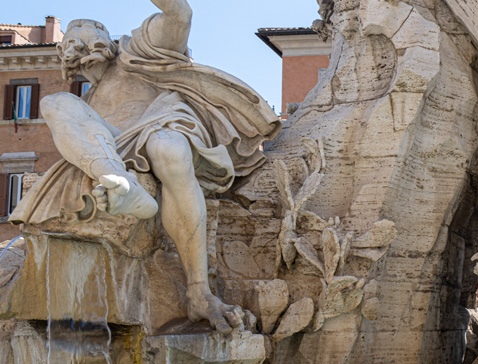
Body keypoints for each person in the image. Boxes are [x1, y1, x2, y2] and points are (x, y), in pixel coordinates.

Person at [9, 0, 280, 333]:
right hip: (112, 149)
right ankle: (120, 183)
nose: (82, 47)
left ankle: (199, 291)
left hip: (161, 129)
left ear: (109, 43)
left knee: (168, 147)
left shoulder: (140, 50)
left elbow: (179, 14)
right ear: (66, 60)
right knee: (55, 101)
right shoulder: (86, 101)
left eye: (92, 37)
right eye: (72, 44)